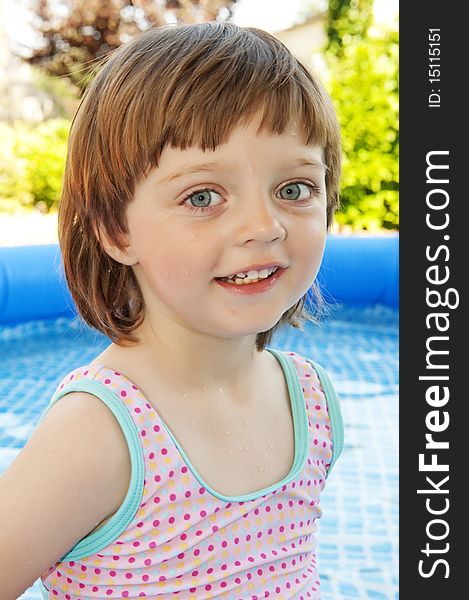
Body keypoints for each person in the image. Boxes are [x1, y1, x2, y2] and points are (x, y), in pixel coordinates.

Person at [0, 22, 344, 600]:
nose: (264, 226)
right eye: (203, 197)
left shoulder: (310, 401)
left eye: (294, 188)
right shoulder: (99, 434)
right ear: (115, 230)